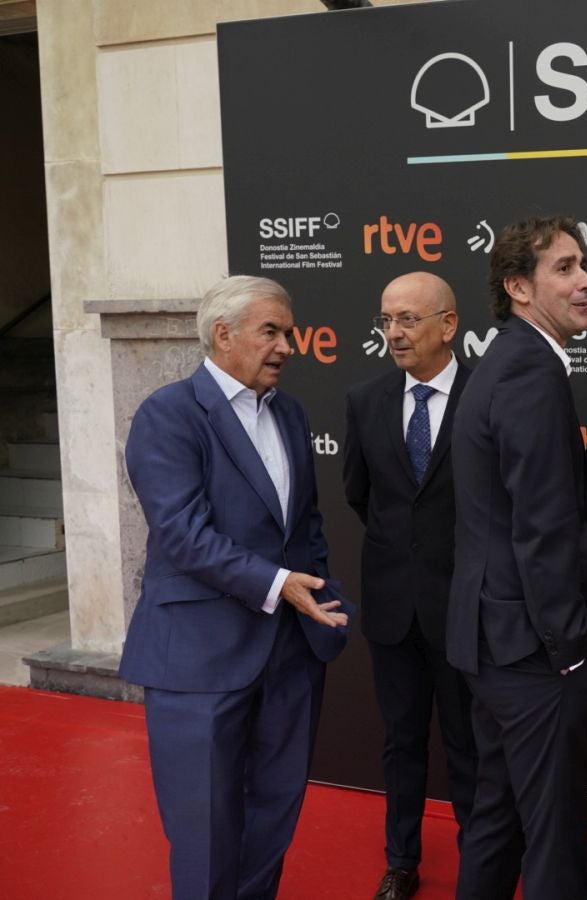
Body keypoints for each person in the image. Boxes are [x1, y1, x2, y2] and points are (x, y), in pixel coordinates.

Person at [447, 216, 587, 900]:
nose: (586, 281)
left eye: (583, 265)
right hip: (531, 653)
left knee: (499, 819)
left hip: (495, 641)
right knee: (554, 842)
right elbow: (542, 527)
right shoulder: (530, 372)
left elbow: (550, 485)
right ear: (519, 287)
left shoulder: (517, 360)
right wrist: (570, 649)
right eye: (566, 268)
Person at [118, 275, 354, 899]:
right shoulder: (168, 413)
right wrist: (279, 583)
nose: (286, 346)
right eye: (270, 332)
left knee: (272, 820)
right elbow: (182, 533)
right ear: (223, 335)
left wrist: (317, 593)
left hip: (288, 654)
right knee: (205, 834)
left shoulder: (292, 412)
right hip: (198, 657)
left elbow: (305, 524)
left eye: (288, 332)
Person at [343, 272, 475, 900]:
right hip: (394, 607)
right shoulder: (366, 399)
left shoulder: (488, 395)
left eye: (408, 320)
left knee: (470, 743)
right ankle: (402, 861)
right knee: (400, 743)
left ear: (448, 325)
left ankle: (483, 859)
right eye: (385, 321)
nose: (393, 333)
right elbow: (359, 494)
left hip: (466, 608)